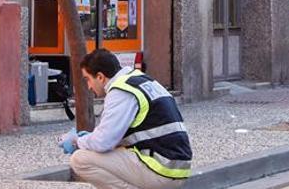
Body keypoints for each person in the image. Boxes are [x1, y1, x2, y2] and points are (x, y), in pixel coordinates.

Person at [61, 48, 191, 188]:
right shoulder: (140, 81)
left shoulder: (121, 92)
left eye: (88, 79)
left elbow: (104, 142)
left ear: (100, 77)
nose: (88, 86)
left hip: (161, 170)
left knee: (80, 159)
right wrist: (91, 137)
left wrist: (76, 142)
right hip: (175, 167)